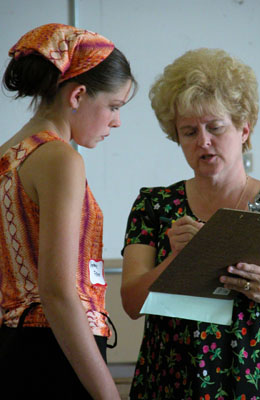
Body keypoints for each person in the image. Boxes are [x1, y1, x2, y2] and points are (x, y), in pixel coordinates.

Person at [121, 48, 260, 399]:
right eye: (188, 132)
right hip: (170, 385)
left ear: (244, 129)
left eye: (215, 127)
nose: (203, 141)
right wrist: (176, 259)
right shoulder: (155, 205)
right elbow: (130, 304)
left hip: (259, 386)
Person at [0, 23, 137, 399]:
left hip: (13, 347)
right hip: (53, 351)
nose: (116, 121)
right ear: (77, 95)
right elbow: (59, 293)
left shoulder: (8, 155)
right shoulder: (60, 158)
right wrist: (108, 395)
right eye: (113, 106)